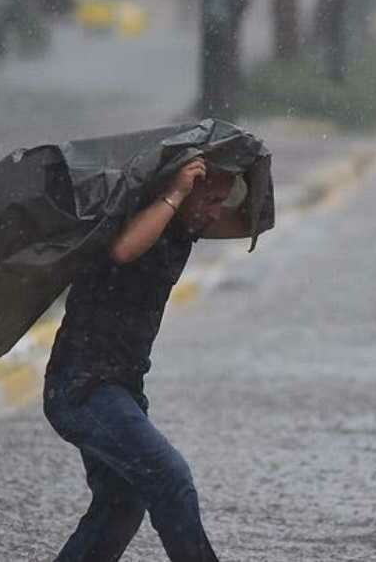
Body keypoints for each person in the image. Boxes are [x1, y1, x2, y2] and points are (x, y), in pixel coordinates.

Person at [42, 154, 250, 562]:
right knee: (170, 479)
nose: (215, 212)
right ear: (181, 191)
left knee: (122, 502)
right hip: (82, 388)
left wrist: (254, 164)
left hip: (119, 390)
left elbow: (249, 221)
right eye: (209, 200)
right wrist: (175, 190)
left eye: (220, 201)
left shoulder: (185, 227)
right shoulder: (132, 219)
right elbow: (122, 251)